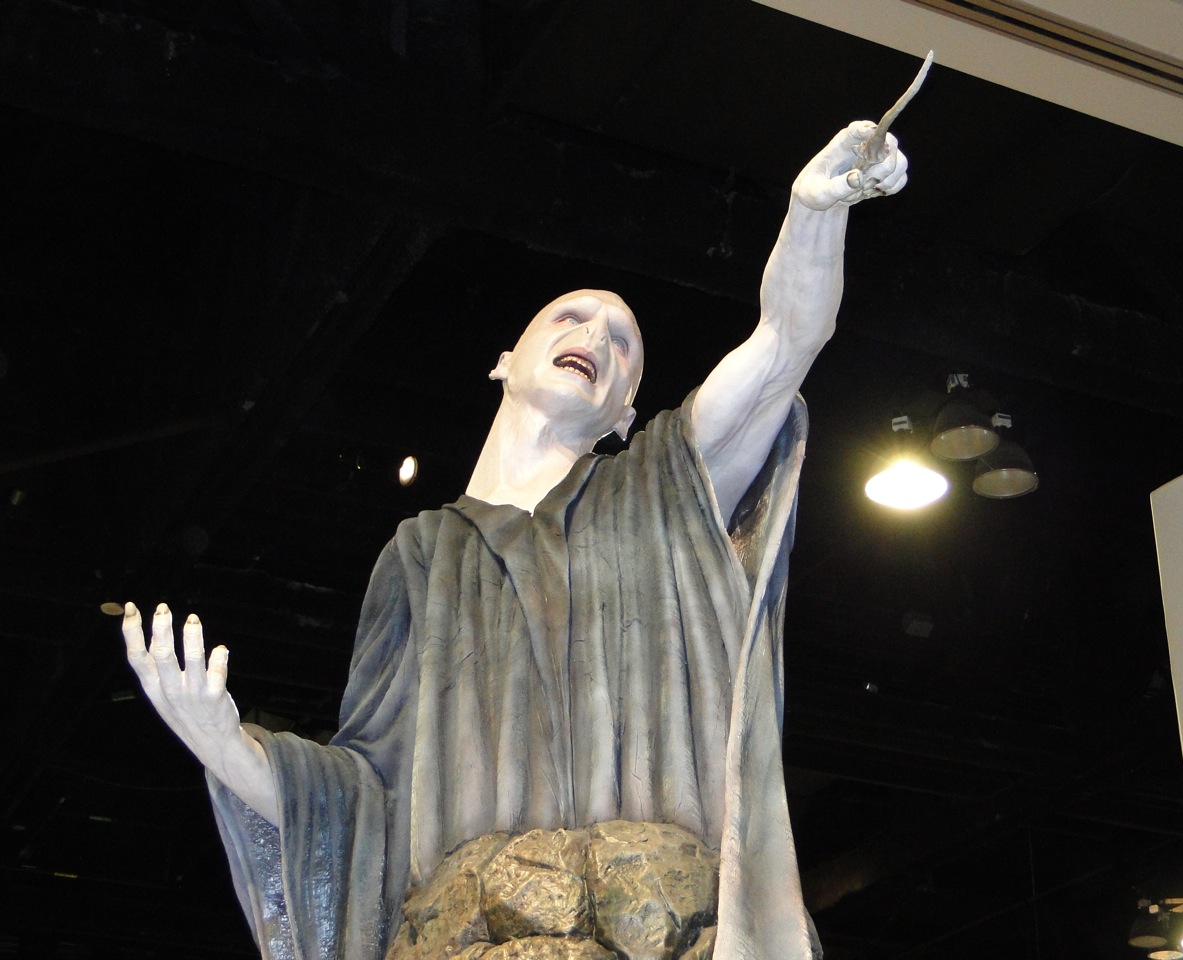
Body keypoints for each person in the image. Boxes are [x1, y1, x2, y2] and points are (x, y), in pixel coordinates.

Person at [122, 120, 908, 960]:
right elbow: (366, 792)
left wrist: (813, 215)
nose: (596, 339)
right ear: (505, 359)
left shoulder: (662, 487)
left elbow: (784, 342)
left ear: (625, 412)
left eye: (622, 344)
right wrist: (225, 746)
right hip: (475, 933)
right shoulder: (421, 556)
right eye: (572, 318)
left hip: (656, 924)